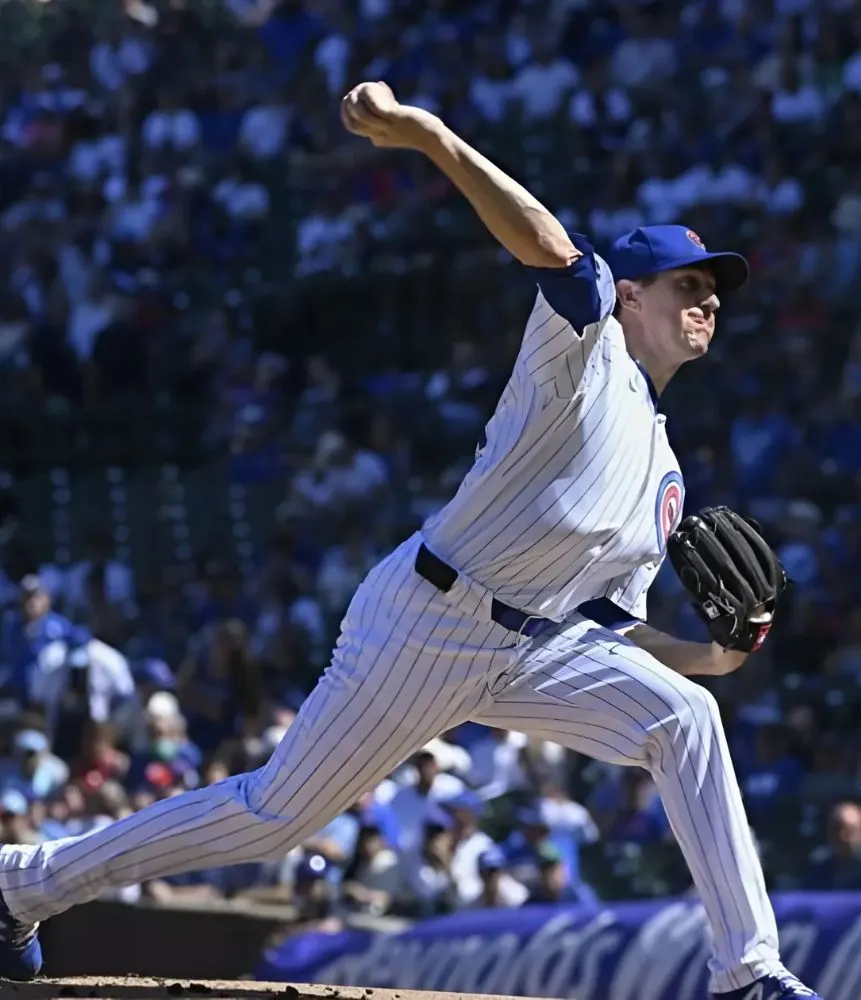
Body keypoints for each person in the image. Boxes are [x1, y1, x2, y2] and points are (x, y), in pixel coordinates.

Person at [0, 83, 818, 1000]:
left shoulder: (665, 477)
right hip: (431, 619)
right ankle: (22, 883)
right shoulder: (586, 356)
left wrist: (708, 656)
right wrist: (428, 138)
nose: (708, 302)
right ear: (632, 294)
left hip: (535, 650)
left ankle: (748, 974)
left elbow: (611, 632)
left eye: (714, 292)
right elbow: (551, 248)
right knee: (273, 816)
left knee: (686, 718)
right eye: (689, 284)